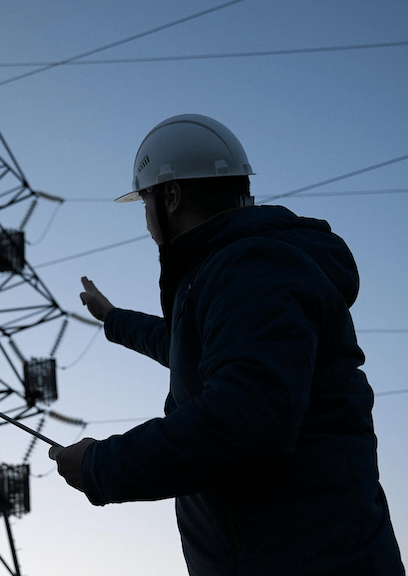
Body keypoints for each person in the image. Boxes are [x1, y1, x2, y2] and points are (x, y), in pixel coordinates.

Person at [49, 114, 404, 575]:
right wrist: (114, 319)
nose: (146, 219)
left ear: (171, 196)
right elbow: (186, 350)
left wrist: (101, 466)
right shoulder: (234, 267)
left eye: (146, 202)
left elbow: (245, 419)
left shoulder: (252, 266)